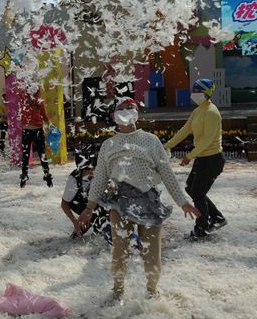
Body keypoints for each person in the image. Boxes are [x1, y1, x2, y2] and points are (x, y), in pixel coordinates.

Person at [78, 97, 200, 302]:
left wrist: (183, 202)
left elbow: (167, 173)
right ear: (113, 116)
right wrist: (89, 208)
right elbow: (99, 177)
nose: (126, 111)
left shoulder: (151, 141)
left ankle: (152, 291)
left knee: (151, 254)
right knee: (120, 248)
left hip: (149, 202)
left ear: (138, 114)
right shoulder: (108, 145)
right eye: (121, 108)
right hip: (119, 201)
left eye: (130, 107)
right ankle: (118, 291)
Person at [164, 78, 226, 240]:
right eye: (194, 90)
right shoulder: (198, 111)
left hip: (213, 159)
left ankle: (201, 229)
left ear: (207, 93)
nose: (195, 94)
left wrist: (189, 156)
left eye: (199, 91)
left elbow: (206, 140)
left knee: (197, 193)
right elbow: (185, 130)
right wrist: (167, 145)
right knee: (191, 188)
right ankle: (217, 218)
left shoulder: (212, 112)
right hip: (202, 158)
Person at [61, 148, 109, 240]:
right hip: (78, 203)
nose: (91, 172)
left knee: (105, 214)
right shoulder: (73, 180)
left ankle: (100, 233)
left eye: (93, 168)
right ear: (80, 170)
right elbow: (64, 204)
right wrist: (75, 222)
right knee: (78, 235)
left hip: (92, 201)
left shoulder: (99, 173)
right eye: (87, 170)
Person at [19, 85, 53, 188]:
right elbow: (44, 115)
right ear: (38, 92)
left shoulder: (24, 101)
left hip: (26, 130)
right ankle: (47, 175)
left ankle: (24, 175)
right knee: (42, 153)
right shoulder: (39, 102)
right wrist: (51, 125)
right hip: (38, 130)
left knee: (25, 154)